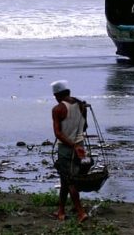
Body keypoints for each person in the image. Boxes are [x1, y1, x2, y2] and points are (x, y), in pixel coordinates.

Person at [51, 80, 89, 223]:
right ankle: (61, 210)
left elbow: (58, 133)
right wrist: (77, 144)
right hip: (81, 146)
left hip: (68, 148)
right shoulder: (81, 105)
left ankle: (80, 212)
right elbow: (84, 126)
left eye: (55, 96)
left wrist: (72, 144)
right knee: (66, 179)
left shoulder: (58, 109)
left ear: (57, 95)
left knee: (70, 180)